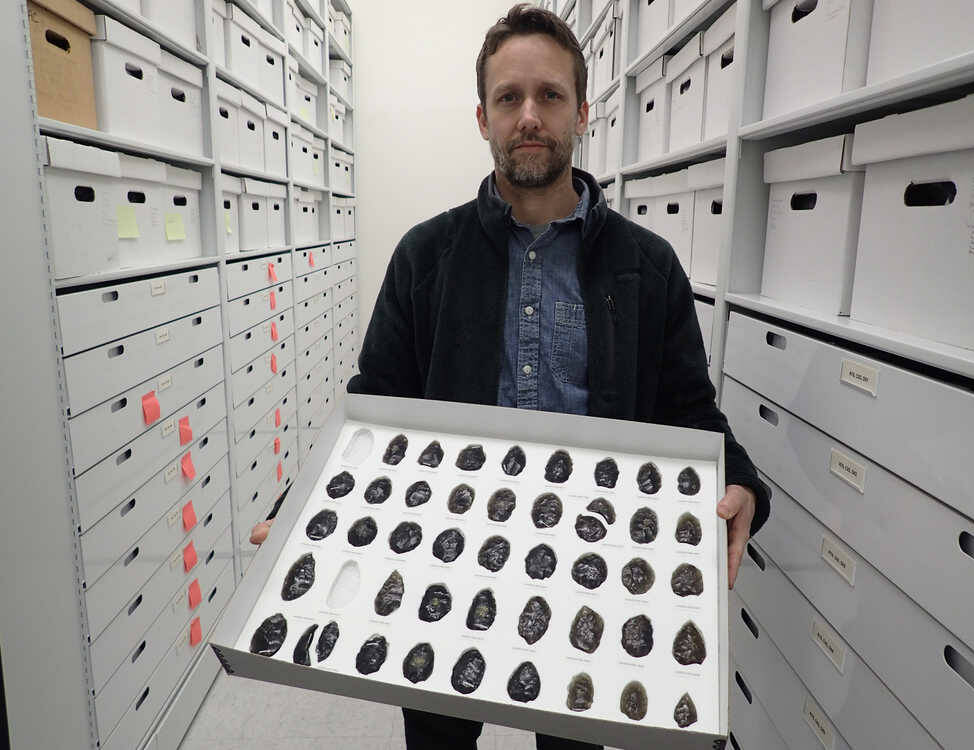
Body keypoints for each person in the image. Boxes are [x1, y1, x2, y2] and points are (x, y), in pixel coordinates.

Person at [252, 4, 771, 749]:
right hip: (439, 560)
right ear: (483, 117)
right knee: (438, 739)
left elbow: (688, 408)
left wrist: (742, 477)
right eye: (509, 98)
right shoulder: (424, 257)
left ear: (582, 112)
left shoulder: (646, 266)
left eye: (550, 96)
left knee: (570, 738)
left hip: (587, 568)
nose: (529, 116)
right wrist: (301, 511)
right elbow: (375, 407)